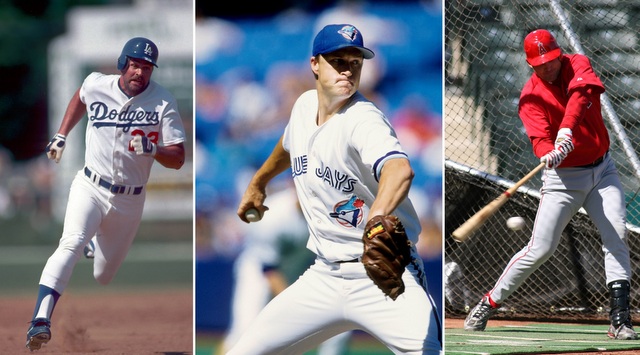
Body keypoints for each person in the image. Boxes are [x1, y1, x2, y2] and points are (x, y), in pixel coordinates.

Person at [227, 23, 442, 354]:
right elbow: (287, 145)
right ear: (315, 64)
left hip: (384, 275)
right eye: (338, 61)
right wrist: (259, 182)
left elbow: (400, 169)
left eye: (355, 62)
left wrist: (378, 217)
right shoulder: (303, 107)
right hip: (323, 276)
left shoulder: (364, 119)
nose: (347, 70)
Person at [463, 29, 637, 341]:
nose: (549, 67)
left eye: (552, 60)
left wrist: (566, 130)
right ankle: (489, 302)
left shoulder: (577, 63)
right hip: (564, 180)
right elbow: (540, 141)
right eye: (541, 64)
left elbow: (582, 95)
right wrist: (550, 153)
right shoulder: (530, 97)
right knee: (540, 248)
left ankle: (620, 318)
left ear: (559, 54)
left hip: (602, 169)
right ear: (530, 65)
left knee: (616, 234)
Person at [26, 37, 186, 351]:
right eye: (135, 64)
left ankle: (95, 245)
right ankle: (40, 320)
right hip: (89, 185)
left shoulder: (163, 101)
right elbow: (80, 97)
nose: (140, 72)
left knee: (103, 275)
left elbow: (178, 157)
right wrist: (61, 134)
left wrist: (153, 149)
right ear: (123, 63)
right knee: (70, 242)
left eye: (147, 67)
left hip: (129, 199)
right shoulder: (97, 84)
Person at [221, 184, 352, 354]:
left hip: (299, 272)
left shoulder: (330, 214)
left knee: (339, 325)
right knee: (243, 331)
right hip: (257, 273)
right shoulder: (273, 215)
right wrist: (292, 303)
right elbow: (269, 269)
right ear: (294, 186)